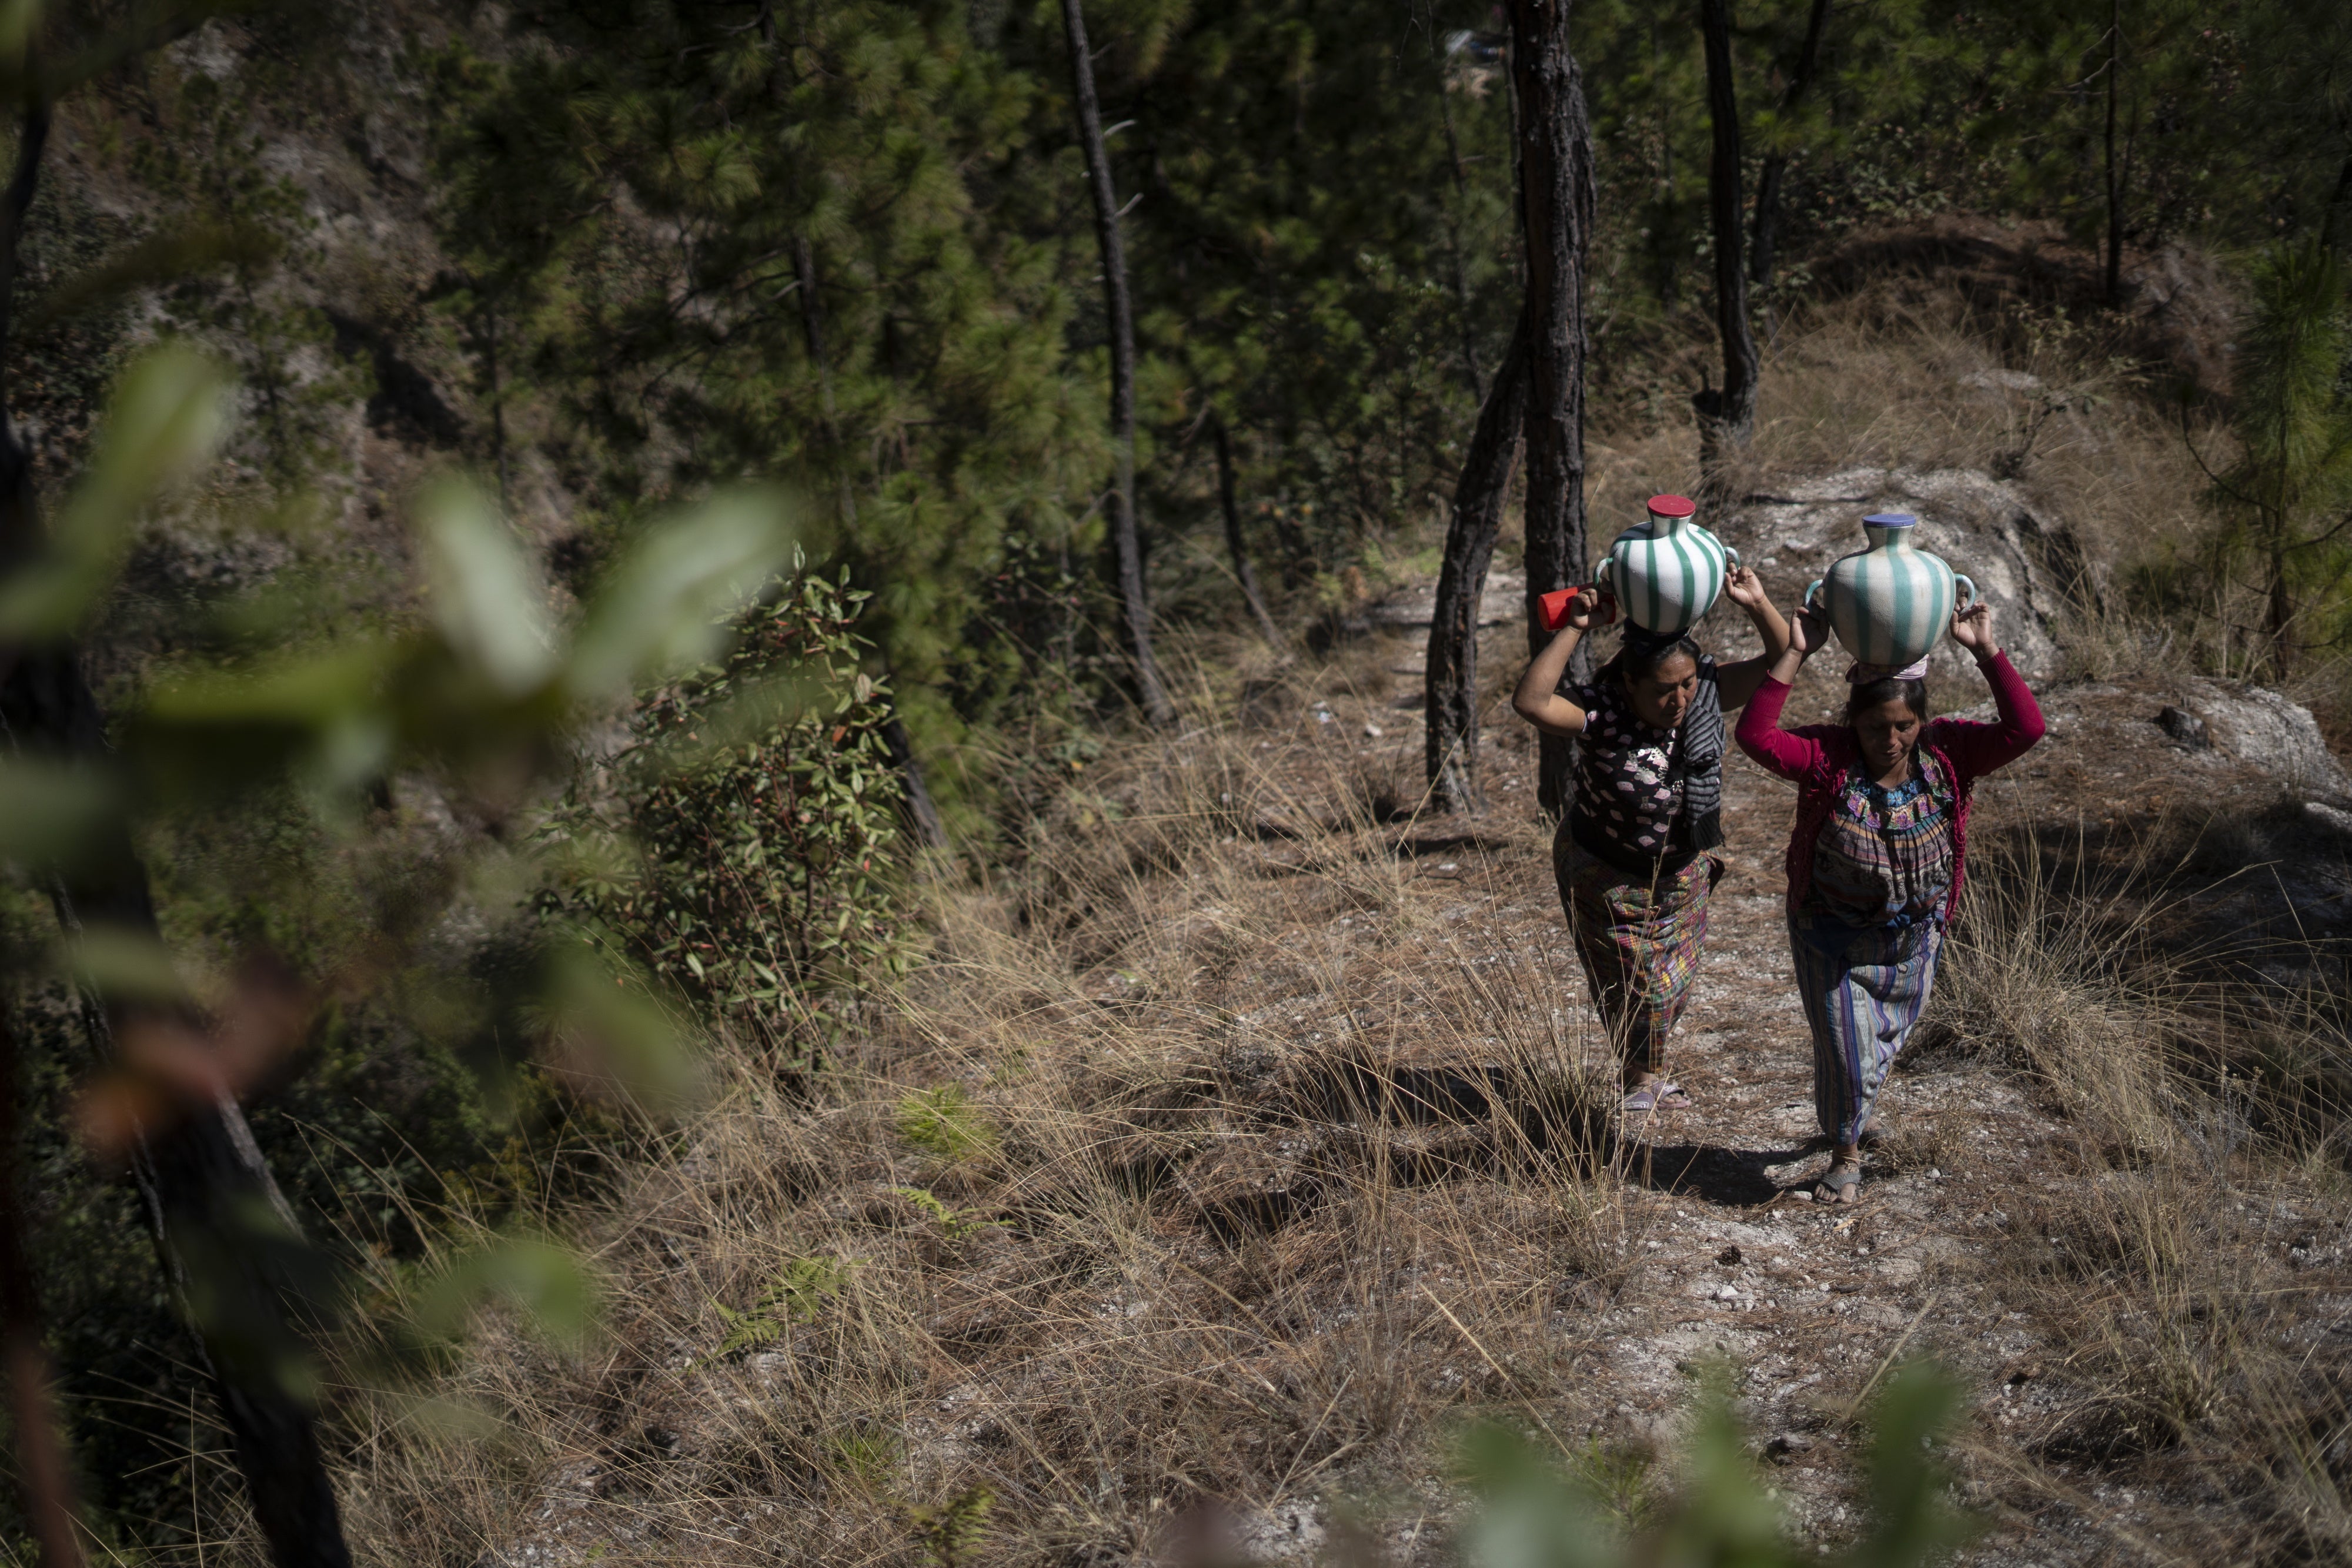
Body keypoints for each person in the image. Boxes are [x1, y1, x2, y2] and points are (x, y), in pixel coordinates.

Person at [1735, 597, 2044, 1203]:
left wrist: (1985, 650)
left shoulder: (1948, 753)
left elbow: (2025, 729)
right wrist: (1796, 651)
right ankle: (1845, 1157)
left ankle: (1847, 1114)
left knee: (1874, 1047)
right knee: (1848, 1048)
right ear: (1854, 722)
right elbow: (1755, 736)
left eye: (1903, 726)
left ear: (1921, 722)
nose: (1891, 739)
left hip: (1912, 939)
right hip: (1830, 935)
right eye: (1876, 727)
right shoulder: (1828, 758)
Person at [1511, 566, 1791, 1111]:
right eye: (1664, 689)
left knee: (1669, 986)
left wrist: (1756, 603)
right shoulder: (1602, 710)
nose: (1680, 698)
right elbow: (1532, 702)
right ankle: (1642, 1076)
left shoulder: (1706, 694)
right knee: (1631, 985)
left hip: (1681, 873)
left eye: (1687, 683)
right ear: (1630, 684)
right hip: (1603, 872)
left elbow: (1781, 659)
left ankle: (1646, 1069)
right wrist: (1575, 628)